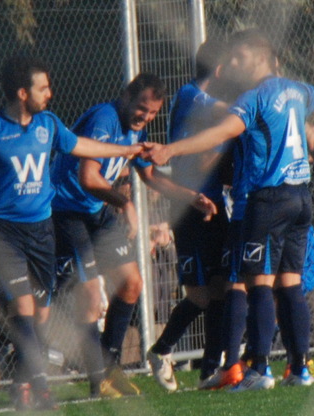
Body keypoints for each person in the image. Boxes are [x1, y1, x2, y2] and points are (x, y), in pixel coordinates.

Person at [143, 28, 314, 390]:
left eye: (240, 58)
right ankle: (299, 368)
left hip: (266, 200)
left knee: (257, 284)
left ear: (259, 59)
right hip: (299, 198)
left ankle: (258, 369)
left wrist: (170, 150)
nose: (233, 65)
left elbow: (222, 132)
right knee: (289, 284)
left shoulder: (253, 98)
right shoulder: (298, 91)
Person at [0, 54, 144, 410]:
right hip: (3, 234)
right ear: (22, 93)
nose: (50, 93)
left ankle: (20, 383)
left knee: (41, 315)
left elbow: (81, 145)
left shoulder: (48, 124)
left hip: (41, 233)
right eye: (43, 88)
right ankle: (41, 388)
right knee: (22, 305)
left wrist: (126, 150)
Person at [50, 72, 217, 398]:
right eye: (142, 108)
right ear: (126, 97)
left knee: (131, 284)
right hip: (66, 212)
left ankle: (109, 370)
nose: (146, 116)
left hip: (95, 211)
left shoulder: (137, 129)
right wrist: (125, 203)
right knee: (90, 296)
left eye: (153, 112)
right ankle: (98, 378)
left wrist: (190, 197)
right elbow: (88, 177)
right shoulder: (105, 118)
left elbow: (150, 175)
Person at [146, 40, 231, 392]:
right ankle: (160, 351)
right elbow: (226, 117)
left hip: (215, 206)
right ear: (221, 70)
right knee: (199, 296)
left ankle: (210, 370)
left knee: (222, 288)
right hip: (189, 209)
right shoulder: (191, 96)